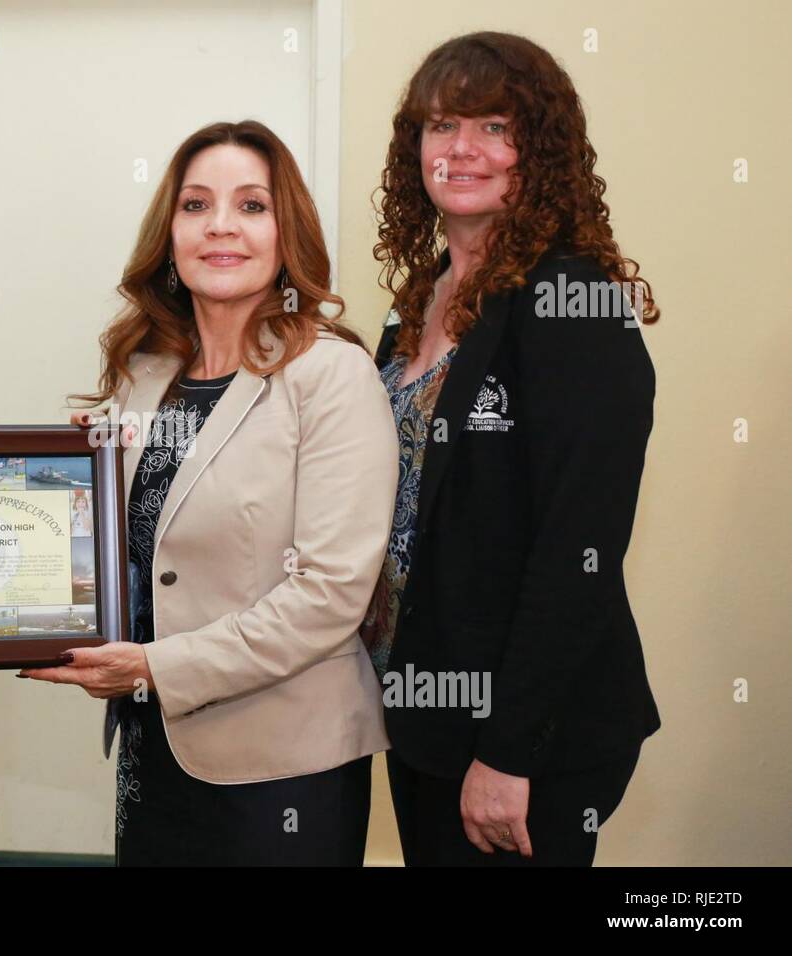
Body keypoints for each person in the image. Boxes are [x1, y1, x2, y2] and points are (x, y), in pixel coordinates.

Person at [23, 121, 398, 866]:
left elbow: (328, 595)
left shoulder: (332, 376)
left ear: (286, 231)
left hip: (283, 769)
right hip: (152, 749)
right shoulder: (145, 374)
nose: (221, 225)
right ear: (170, 233)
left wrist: (156, 668)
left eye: (251, 206)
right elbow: (116, 541)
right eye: (196, 205)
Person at [362, 31, 661, 866]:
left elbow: (582, 545)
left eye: (494, 126)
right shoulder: (419, 302)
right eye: (440, 124)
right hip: (425, 709)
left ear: (543, 151)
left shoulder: (573, 301)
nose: (461, 149)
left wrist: (509, 750)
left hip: (528, 733)